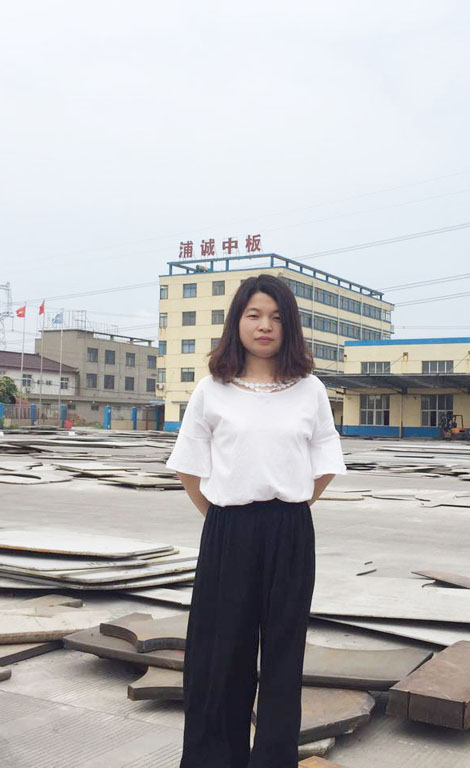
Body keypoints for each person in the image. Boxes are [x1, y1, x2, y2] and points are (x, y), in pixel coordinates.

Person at [166, 273, 346, 767]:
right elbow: (188, 466)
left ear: (290, 327)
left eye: (276, 317)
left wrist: (293, 507)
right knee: (220, 655)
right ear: (237, 322)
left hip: (290, 531)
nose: (265, 326)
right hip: (228, 530)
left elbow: (325, 460)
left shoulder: (309, 390)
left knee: (284, 656)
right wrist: (221, 516)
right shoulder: (212, 390)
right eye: (254, 315)